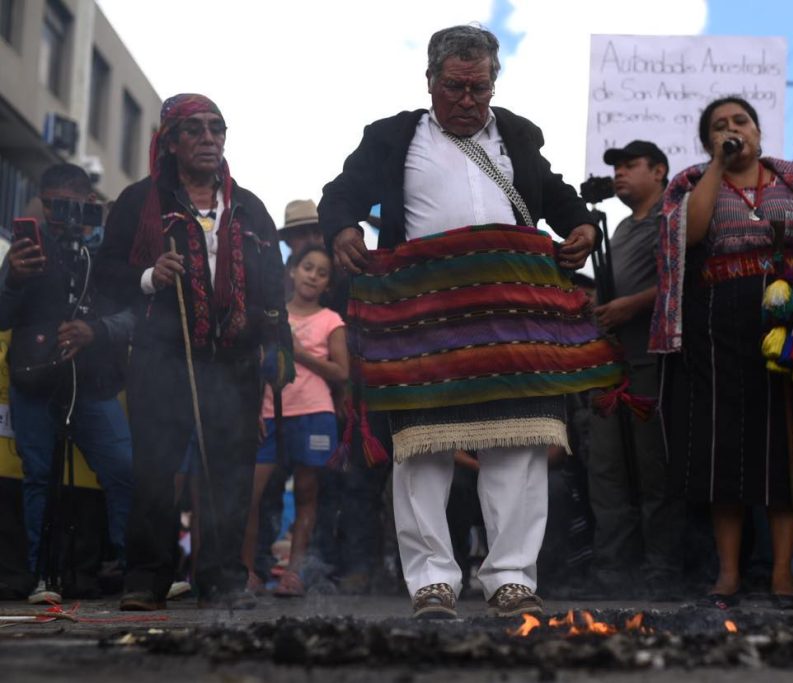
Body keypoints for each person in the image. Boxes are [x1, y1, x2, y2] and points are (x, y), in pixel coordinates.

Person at [320, 24, 598, 619]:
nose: (468, 102)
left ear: (494, 84)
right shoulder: (394, 137)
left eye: (479, 89)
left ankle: (510, 578)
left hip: (509, 315)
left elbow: (552, 192)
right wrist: (343, 227)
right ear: (429, 82)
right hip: (426, 316)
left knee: (520, 441)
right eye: (454, 88)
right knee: (421, 448)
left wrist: (581, 224)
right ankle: (432, 583)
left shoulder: (519, 136)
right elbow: (340, 193)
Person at [649, 96, 793, 610]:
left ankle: (783, 576)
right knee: (725, 452)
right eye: (719, 126)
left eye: (740, 121)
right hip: (714, 327)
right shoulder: (691, 183)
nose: (732, 129)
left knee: (786, 448)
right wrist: (717, 165)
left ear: (759, 132)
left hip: (787, 321)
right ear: (707, 141)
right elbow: (690, 236)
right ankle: (728, 577)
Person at [97, 93, 291, 611]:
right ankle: (146, 576)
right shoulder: (140, 203)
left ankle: (223, 577)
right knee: (156, 470)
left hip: (233, 363)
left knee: (229, 470)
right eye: (196, 130)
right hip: (163, 358)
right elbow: (105, 274)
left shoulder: (250, 207)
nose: (209, 139)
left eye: (217, 128)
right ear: (171, 142)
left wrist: (277, 348)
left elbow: (274, 286)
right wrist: (148, 275)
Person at [0, 163, 133, 605]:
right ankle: (41, 577)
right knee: (39, 476)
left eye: (69, 206)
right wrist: (15, 280)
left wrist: (95, 329)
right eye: (51, 205)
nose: (60, 216)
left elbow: (134, 316)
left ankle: (130, 568)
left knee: (122, 468)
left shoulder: (108, 252)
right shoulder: (27, 248)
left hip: (92, 382)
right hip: (34, 379)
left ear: (90, 204)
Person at [587, 140, 683, 597]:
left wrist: (629, 306)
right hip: (613, 362)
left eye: (630, 165)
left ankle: (661, 568)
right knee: (608, 470)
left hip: (651, 359)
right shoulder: (623, 228)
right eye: (617, 167)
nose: (620, 174)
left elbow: (677, 280)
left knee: (653, 469)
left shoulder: (672, 217)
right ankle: (614, 571)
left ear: (659, 170)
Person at [242, 244, 347, 598]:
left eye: (322, 273)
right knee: (251, 494)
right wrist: (255, 408)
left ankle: (295, 572)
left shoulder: (331, 320)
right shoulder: (273, 318)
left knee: (306, 493)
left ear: (328, 285)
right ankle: (246, 571)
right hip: (272, 411)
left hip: (315, 413)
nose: (313, 276)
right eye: (308, 268)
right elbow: (256, 372)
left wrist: (299, 354)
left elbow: (341, 371)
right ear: (292, 270)